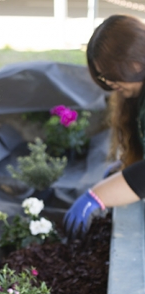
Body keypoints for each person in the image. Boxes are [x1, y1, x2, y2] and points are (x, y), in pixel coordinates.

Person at [64, 14, 145, 239]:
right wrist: (125, 168)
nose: (108, 82)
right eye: (102, 76)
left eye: (110, 74)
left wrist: (97, 196)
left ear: (136, 58)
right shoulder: (136, 95)